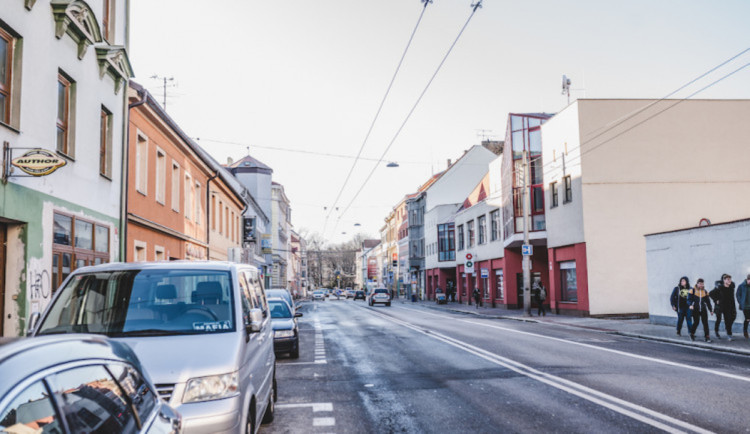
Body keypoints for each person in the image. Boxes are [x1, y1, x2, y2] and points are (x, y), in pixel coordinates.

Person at [709, 274, 737, 340]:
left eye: (730, 279)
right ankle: (716, 331)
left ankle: (729, 334)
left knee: (729, 319)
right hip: (720, 306)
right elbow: (711, 293)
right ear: (724, 280)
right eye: (728, 279)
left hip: (728, 306)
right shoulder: (719, 288)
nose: (729, 281)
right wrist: (716, 300)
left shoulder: (731, 288)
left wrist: (733, 306)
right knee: (718, 319)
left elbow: (732, 298)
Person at [688, 278, 713, 342]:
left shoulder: (705, 292)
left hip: (703, 309)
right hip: (695, 309)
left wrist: (711, 310)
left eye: (702, 284)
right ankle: (692, 334)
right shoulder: (692, 290)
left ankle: (707, 337)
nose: (701, 285)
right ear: (697, 284)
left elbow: (708, 302)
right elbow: (689, 299)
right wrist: (690, 305)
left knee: (705, 323)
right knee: (696, 322)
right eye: (700, 284)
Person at [735, 274, 750, 339]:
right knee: (747, 319)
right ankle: (745, 331)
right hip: (745, 306)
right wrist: (741, 302)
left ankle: (745, 331)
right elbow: (738, 295)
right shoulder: (741, 286)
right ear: (747, 279)